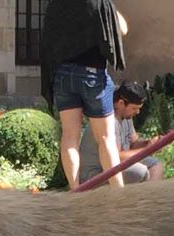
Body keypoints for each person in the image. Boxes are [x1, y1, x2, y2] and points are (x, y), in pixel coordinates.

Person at [41, 0, 127, 189]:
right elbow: (122, 29)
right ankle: (118, 192)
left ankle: (75, 190)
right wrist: (110, 6)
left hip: (62, 75)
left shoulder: (57, 4)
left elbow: (49, 38)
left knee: (70, 136)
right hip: (92, 74)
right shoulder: (98, 2)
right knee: (105, 138)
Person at [79, 81, 164, 185]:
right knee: (139, 171)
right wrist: (147, 150)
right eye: (134, 108)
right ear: (121, 103)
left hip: (114, 166)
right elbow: (116, 157)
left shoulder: (126, 116)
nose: (137, 112)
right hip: (95, 175)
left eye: (139, 109)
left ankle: (149, 195)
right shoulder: (109, 121)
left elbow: (134, 143)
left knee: (156, 164)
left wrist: (150, 143)